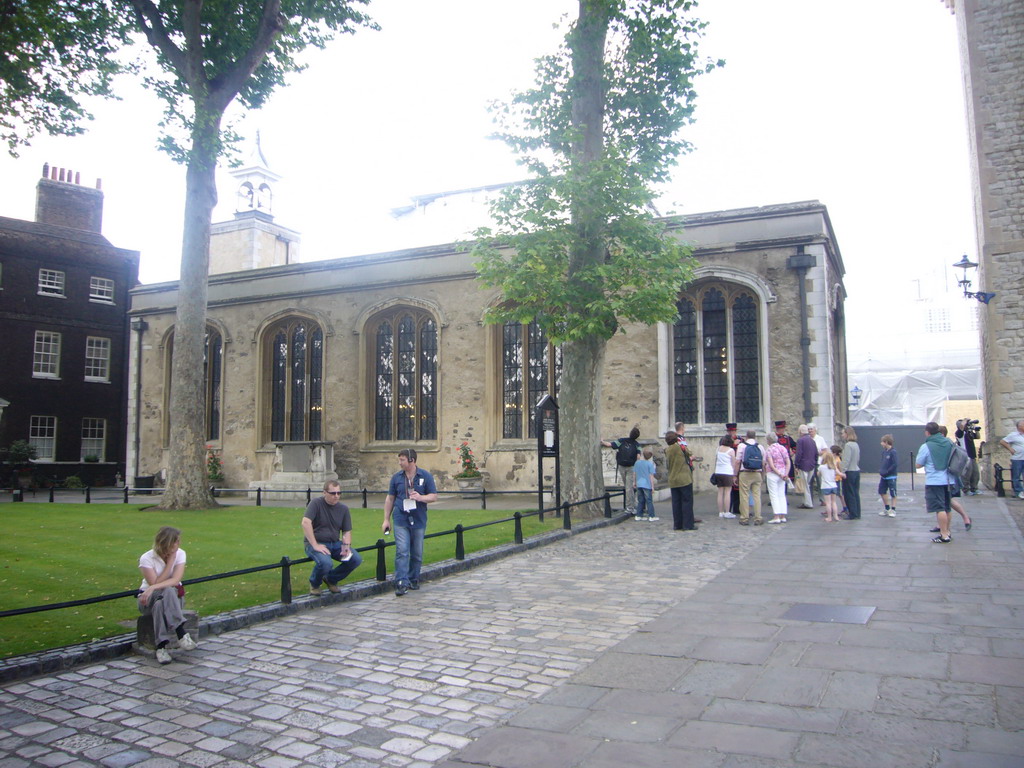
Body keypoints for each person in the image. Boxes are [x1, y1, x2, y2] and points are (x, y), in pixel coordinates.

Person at [137, 526, 197, 665]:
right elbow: (156, 582)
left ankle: (161, 647)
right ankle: (180, 632)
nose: (179, 544)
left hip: (172, 599)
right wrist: (169, 564)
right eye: (176, 542)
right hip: (148, 600)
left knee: (163, 600)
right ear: (167, 543)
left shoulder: (180, 554)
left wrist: (152, 587)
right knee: (163, 594)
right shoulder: (147, 558)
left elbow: (175, 580)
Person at [383, 448, 438, 595]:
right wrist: (386, 519)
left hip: (419, 519)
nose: (399, 462)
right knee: (402, 551)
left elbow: (433, 496)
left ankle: (413, 579)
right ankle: (401, 581)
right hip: (401, 518)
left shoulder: (425, 476)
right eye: (399, 459)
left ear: (411, 460)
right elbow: (390, 499)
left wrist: (421, 498)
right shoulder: (396, 478)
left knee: (417, 553)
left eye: (402, 460)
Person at [302, 480, 363, 596]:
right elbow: (305, 523)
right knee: (326, 563)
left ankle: (331, 579)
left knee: (355, 559)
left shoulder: (343, 509)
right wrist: (315, 545)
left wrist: (346, 546)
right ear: (324, 493)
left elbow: (346, 531)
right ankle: (315, 584)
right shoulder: (315, 503)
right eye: (333, 493)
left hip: (335, 543)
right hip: (316, 542)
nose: (336, 496)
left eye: (339, 493)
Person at [917, 422, 954, 543]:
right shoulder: (948, 442)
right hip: (949, 479)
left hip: (935, 480)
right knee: (947, 507)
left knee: (940, 508)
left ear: (927, 432)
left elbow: (918, 464)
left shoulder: (926, 446)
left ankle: (943, 535)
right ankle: (947, 531)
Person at [936, 425, 972, 532]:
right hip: (950, 476)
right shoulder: (949, 443)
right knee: (946, 501)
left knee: (947, 501)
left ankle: (949, 527)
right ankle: (943, 525)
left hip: (948, 477)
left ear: (941, 434)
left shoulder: (946, 444)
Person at [602, 427, 641, 514]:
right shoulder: (636, 444)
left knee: (627, 487)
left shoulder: (622, 440)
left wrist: (602, 441)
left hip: (621, 466)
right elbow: (638, 456)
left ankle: (631, 505)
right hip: (631, 467)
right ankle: (631, 506)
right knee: (629, 487)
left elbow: (610, 445)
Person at [664, 430, 696, 531]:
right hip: (684, 478)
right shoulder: (680, 447)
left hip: (673, 479)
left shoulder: (667, 450)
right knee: (687, 501)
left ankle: (677, 524)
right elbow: (689, 453)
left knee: (676, 503)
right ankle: (688, 525)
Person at [734, 429, 765, 526]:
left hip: (745, 472)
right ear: (755, 436)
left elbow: (738, 461)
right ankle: (758, 518)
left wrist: (735, 475)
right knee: (756, 496)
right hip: (757, 473)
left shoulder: (742, 446)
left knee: (744, 496)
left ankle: (744, 518)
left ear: (746, 436)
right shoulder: (760, 447)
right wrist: (763, 475)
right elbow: (763, 463)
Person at [764, 433, 790, 523]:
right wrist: (785, 474)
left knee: (774, 495)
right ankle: (783, 515)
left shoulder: (769, 449)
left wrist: (779, 474)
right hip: (783, 474)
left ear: (769, 441)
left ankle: (776, 516)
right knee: (781, 494)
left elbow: (771, 465)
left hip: (773, 474)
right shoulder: (783, 448)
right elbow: (788, 462)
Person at [794, 424, 818, 509]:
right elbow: (816, 453)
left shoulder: (801, 440)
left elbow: (799, 453)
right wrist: (815, 462)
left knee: (805, 485)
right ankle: (805, 502)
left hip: (803, 465)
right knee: (807, 484)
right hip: (811, 465)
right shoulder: (812, 440)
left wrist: (796, 464)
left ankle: (808, 503)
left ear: (800, 431)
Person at [999, 420, 1024, 500]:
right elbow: (1003, 441)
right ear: (1019, 427)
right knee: (1016, 476)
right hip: (1017, 459)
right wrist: (1010, 449)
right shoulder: (1013, 435)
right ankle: (1018, 491)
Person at [955, 419, 981, 495]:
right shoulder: (959, 433)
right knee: (966, 474)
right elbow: (962, 426)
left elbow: (978, 437)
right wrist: (966, 420)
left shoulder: (968, 432)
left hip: (972, 455)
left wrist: (976, 430)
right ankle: (966, 489)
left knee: (975, 473)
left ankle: (974, 488)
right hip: (965, 456)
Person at [840, 427, 861, 519]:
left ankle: (852, 514)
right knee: (855, 493)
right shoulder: (856, 444)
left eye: (843, 433)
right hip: (856, 471)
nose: (842, 435)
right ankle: (857, 513)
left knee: (849, 494)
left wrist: (842, 471)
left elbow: (846, 460)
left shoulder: (848, 445)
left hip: (849, 472)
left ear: (847, 434)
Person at [714, 435, 737, 519]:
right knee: (727, 492)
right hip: (727, 472)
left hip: (718, 472)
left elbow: (716, 460)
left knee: (720, 492)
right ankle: (727, 511)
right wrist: (735, 474)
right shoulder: (731, 450)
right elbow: (733, 463)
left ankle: (721, 512)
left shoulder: (718, 449)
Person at [633, 447, 658, 521]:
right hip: (647, 484)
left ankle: (639, 515)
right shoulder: (650, 464)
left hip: (639, 483)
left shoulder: (637, 463)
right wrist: (652, 487)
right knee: (649, 500)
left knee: (640, 500)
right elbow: (651, 476)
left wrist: (634, 482)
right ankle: (651, 516)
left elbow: (634, 473)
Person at [820, 447, 844, 522]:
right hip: (834, 486)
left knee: (828, 503)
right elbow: (839, 473)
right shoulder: (833, 466)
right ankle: (836, 516)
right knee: (834, 502)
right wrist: (843, 475)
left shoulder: (821, 467)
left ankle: (829, 517)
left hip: (825, 486)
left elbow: (818, 474)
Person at [808, 423, 829, 507]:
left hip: (818, 463)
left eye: (811, 429)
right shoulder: (807, 439)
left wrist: (819, 452)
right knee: (810, 481)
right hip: (810, 462)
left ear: (815, 430)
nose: (810, 431)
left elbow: (825, 450)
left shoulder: (820, 439)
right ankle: (810, 500)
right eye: (809, 429)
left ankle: (822, 499)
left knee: (820, 481)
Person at [877, 434, 898, 517]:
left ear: (886, 442)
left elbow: (895, 464)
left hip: (891, 476)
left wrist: (888, 471)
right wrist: (881, 470)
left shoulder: (893, 452)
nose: (881, 444)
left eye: (882, 442)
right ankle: (887, 508)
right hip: (883, 476)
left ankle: (893, 510)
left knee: (893, 493)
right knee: (882, 491)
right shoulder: (884, 452)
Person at [773, 420, 798, 486]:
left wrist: (792, 452)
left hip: (787, 461)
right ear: (778, 428)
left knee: (787, 480)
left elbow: (795, 446)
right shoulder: (773, 438)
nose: (783, 430)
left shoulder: (787, 438)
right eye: (782, 428)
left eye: (783, 428)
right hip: (777, 462)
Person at [725, 422, 741, 515]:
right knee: (728, 489)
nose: (732, 432)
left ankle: (737, 508)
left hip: (737, 466)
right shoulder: (724, 440)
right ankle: (728, 509)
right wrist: (733, 444)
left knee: (737, 489)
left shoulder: (740, 439)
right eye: (730, 431)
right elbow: (723, 449)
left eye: (733, 431)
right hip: (728, 466)